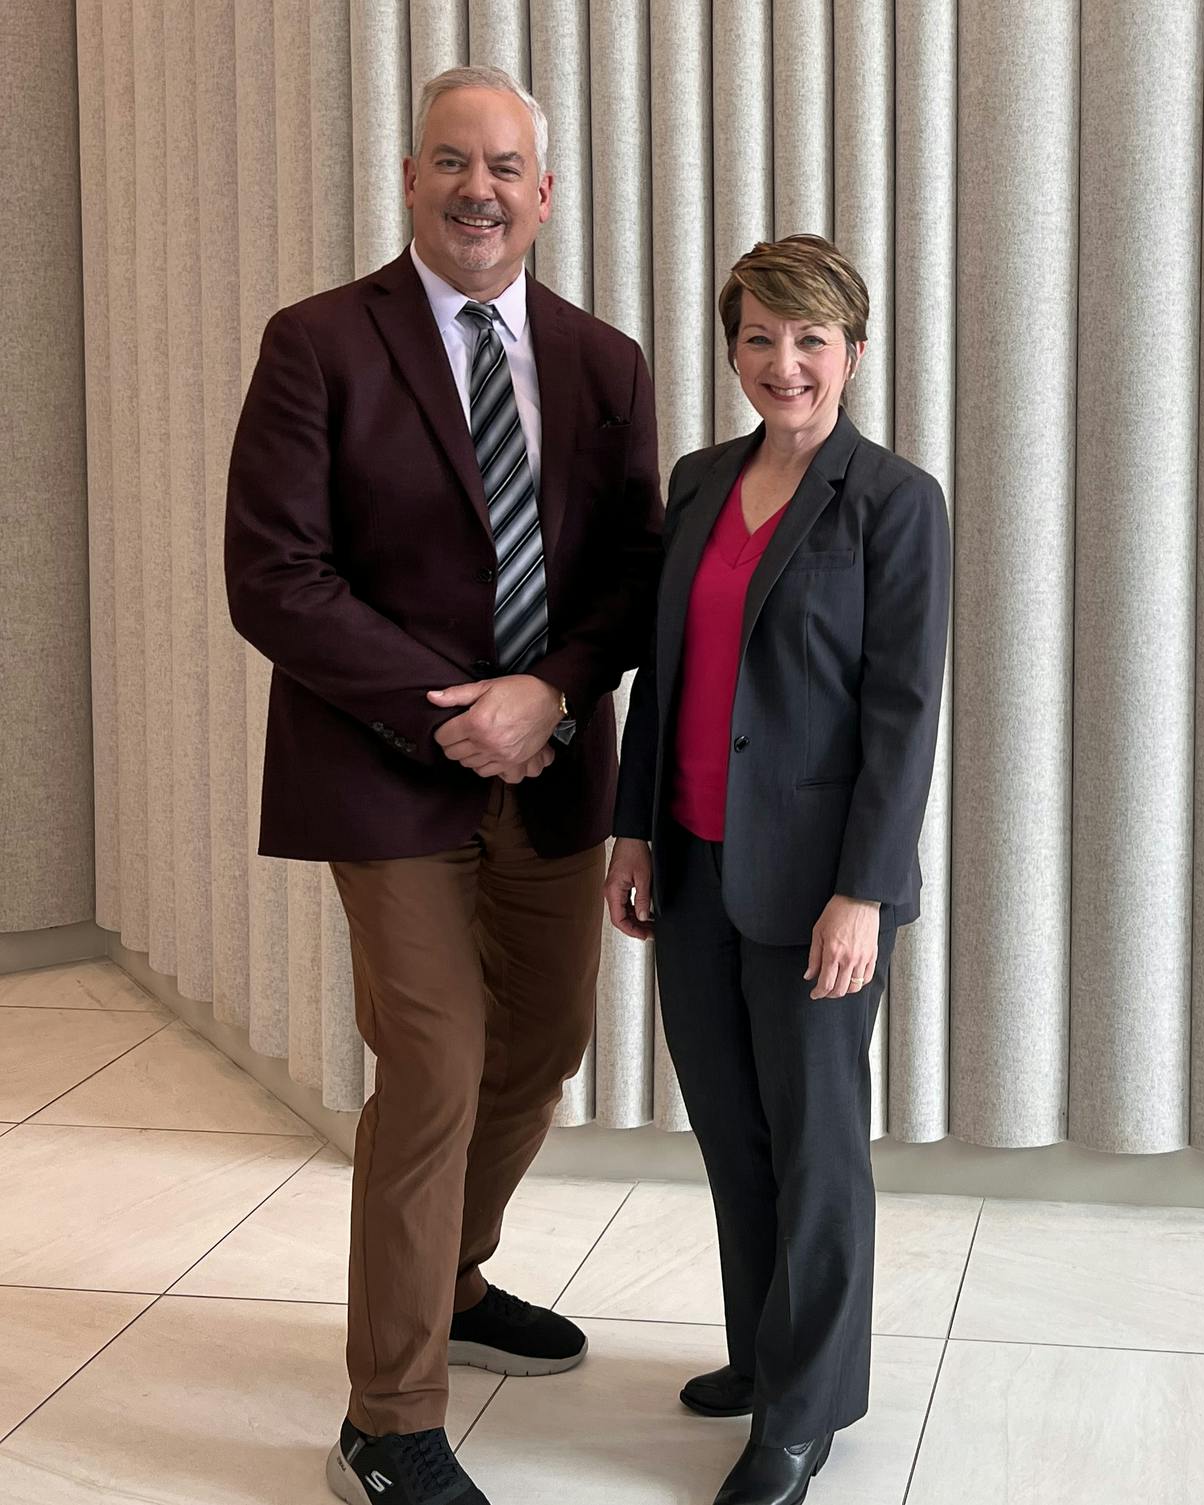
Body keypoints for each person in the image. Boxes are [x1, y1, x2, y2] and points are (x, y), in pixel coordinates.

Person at [224, 65, 662, 1505]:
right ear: (409, 179)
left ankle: (455, 1283)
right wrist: (454, 712)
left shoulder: (605, 363)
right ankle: (388, 1407)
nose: (480, 188)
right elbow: (274, 576)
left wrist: (550, 693)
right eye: (452, 161)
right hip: (385, 773)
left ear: (546, 195)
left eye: (506, 167)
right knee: (434, 1063)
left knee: (540, 1048)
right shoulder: (318, 345)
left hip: (549, 769)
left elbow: (625, 576)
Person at [604, 234, 951, 1505]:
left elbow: (903, 712)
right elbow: (664, 671)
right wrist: (632, 828)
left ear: (851, 351)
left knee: (815, 1148)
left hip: (818, 886)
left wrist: (864, 887)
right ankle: (760, 1351)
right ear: (733, 348)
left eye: (810, 339)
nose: (783, 363)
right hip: (692, 861)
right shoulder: (698, 481)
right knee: (731, 1131)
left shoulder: (892, 500)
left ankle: (802, 1412)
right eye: (758, 338)